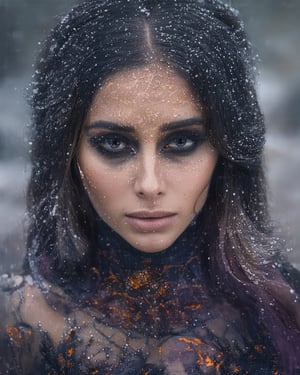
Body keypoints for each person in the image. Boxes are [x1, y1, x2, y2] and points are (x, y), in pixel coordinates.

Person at [0, 0, 300, 373]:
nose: (149, 184)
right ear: (66, 150)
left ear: (226, 149)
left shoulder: (287, 309)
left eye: (181, 142)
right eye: (113, 143)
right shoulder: (17, 319)